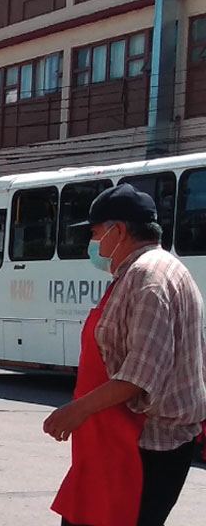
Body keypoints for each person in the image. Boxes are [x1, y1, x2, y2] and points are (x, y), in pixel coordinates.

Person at [43, 184, 206, 526]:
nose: (92, 243)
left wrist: (76, 411)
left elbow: (139, 377)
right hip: (113, 443)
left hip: (143, 446)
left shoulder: (148, 279)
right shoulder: (146, 272)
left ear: (119, 231)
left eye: (95, 233)